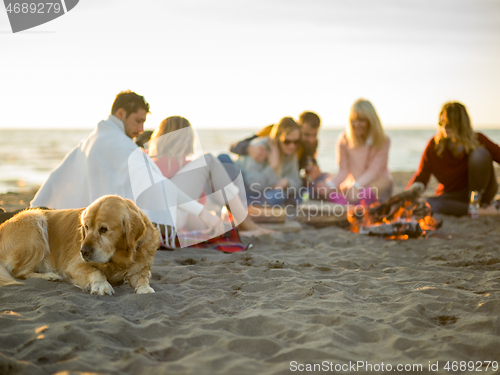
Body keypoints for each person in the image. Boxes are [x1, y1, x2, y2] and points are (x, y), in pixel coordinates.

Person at [30, 90, 225, 247]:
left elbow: (56, 178)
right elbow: (160, 186)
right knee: (207, 168)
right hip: (152, 224)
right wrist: (202, 212)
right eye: (138, 121)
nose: (141, 130)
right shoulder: (119, 144)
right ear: (121, 114)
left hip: (108, 225)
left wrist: (37, 210)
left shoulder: (95, 139)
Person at [148, 116, 271, 235]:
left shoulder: (147, 160)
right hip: (165, 219)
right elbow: (196, 209)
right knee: (209, 160)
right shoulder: (185, 167)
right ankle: (243, 223)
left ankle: (237, 228)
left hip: (154, 220)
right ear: (188, 140)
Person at [407, 102, 500, 216]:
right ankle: (481, 212)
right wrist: (407, 196)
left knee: (480, 154)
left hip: (483, 192)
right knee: (429, 203)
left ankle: (477, 205)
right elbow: (422, 175)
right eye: (442, 123)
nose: (445, 126)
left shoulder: (478, 139)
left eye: (449, 123)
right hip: (454, 195)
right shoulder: (434, 146)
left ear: (461, 123)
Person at [229, 111, 330, 197]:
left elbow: (307, 164)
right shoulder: (270, 133)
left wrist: (314, 173)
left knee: (319, 182)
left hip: (285, 175)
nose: (311, 140)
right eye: (307, 134)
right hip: (262, 175)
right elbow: (234, 146)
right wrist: (249, 148)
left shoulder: (309, 144)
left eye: (314, 135)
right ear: (298, 126)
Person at [327, 99, 393, 204]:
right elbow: (343, 170)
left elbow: (374, 171)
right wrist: (329, 186)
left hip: (376, 183)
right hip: (355, 185)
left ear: (370, 121)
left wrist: (357, 186)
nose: (356, 124)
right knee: (329, 188)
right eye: (353, 120)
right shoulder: (344, 139)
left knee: (385, 181)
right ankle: (352, 205)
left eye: (362, 120)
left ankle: (354, 205)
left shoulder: (384, 140)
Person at [234, 117, 302, 205]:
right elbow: (253, 186)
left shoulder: (291, 152)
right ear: (277, 137)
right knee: (278, 195)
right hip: (244, 191)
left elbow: (297, 181)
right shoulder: (260, 148)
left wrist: (286, 182)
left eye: (296, 141)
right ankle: (249, 207)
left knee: (299, 193)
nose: (292, 146)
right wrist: (272, 167)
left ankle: (256, 206)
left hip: (266, 193)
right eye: (287, 141)